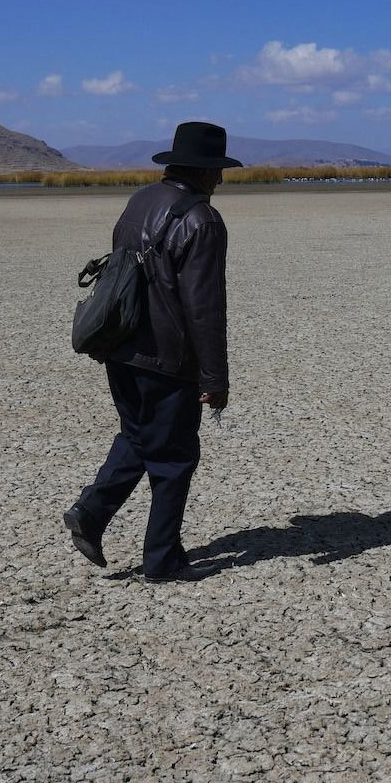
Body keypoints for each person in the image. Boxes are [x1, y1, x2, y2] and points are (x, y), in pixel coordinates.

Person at [63, 121, 239, 582]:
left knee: (139, 436)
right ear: (202, 171)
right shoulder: (202, 220)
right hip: (167, 358)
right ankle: (162, 561)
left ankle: (91, 513)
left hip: (120, 345)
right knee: (175, 457)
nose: (219, 180)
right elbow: (204, 308)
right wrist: (214, 378)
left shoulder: (141, 200)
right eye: (217, 171)